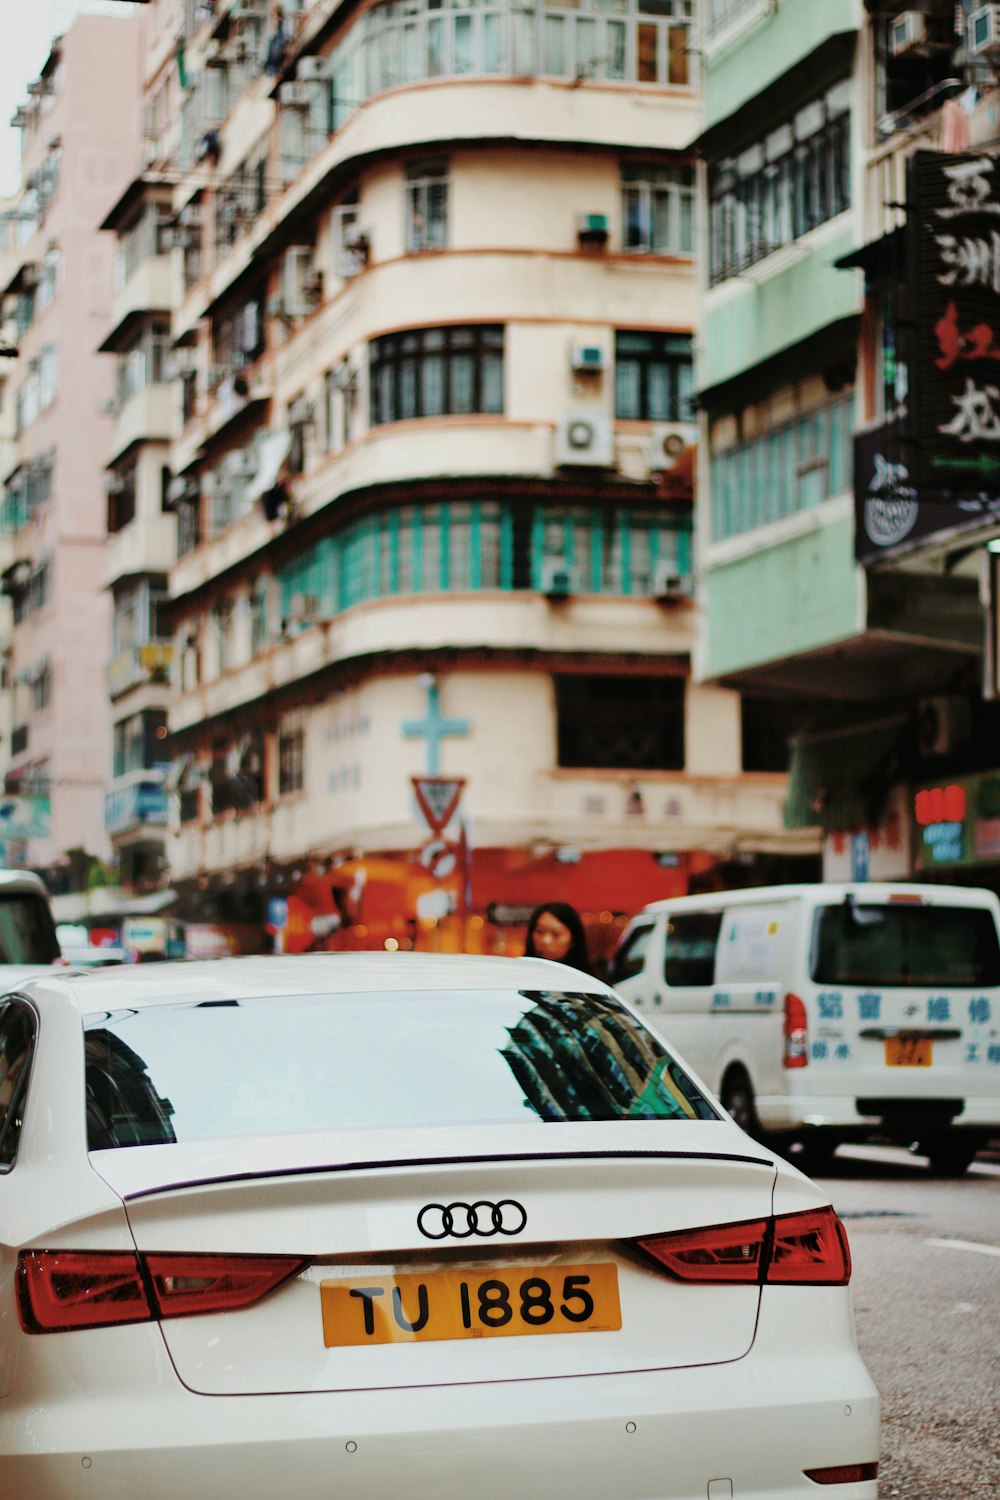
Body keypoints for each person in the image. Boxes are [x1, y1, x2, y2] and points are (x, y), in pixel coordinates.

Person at [523, 902, 591, 973]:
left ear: (573, 940)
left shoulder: (587, 979)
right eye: (539, 932)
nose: (545, 941)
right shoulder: (519, 971)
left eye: (556, 934)